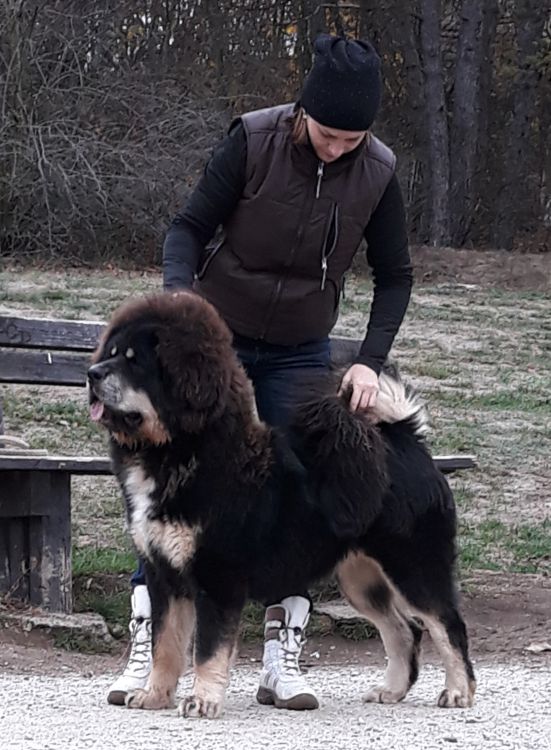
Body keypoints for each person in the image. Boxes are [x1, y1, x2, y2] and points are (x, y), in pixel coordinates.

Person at [107, 33, 413, 710]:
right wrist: (180, 293)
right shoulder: (251, 139)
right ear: (303, 111)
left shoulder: (379, 171)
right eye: (328, 133)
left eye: (351, 139)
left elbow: (394, 276)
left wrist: (366, 360)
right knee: (170, 488)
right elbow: (186, 227)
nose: (337, 148)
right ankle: (146, 647)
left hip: (302, 351)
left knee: (293, 499)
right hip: (218, 344)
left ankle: (282, 656)